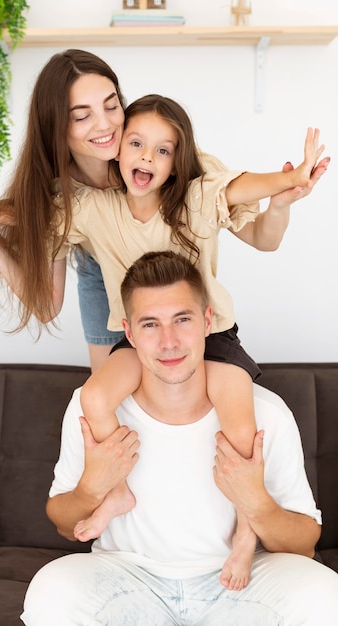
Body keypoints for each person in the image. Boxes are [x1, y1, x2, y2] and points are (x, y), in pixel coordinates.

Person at [0, 93, 329, 590]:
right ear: (115, 150)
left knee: (241, 431)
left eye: (164, 151)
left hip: (212, 337)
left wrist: (290, 179)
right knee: (94, 397)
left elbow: (240, 186)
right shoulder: (94, 210)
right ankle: (115, 493)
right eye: (136, 143)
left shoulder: (195, 200)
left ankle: (245, 536)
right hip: (136, 340)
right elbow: (30, 212)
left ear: (177, 161)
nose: (147, 157)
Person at [20, 250, 338, 626]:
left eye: (182, 320)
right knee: (51, 590)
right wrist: (93, 486)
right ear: (129, 333)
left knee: (325, 595)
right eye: (150, 324)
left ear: (207, 321)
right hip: (128, 577)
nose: (169, 341)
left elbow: (304, 544)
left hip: (241, 584)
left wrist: (255, 502)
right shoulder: (91, 407)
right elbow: (61, 521)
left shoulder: (265, 412)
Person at [0, 48, 268, 373]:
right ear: (57, 127)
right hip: (101, 269)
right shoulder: (59, 194)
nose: (104, 125)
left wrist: (282, 192)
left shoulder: (157, 156)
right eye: (82, 116)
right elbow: (45, 303)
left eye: (111, 105)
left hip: (174, 277)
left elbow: (244, 220)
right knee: (109, 388)